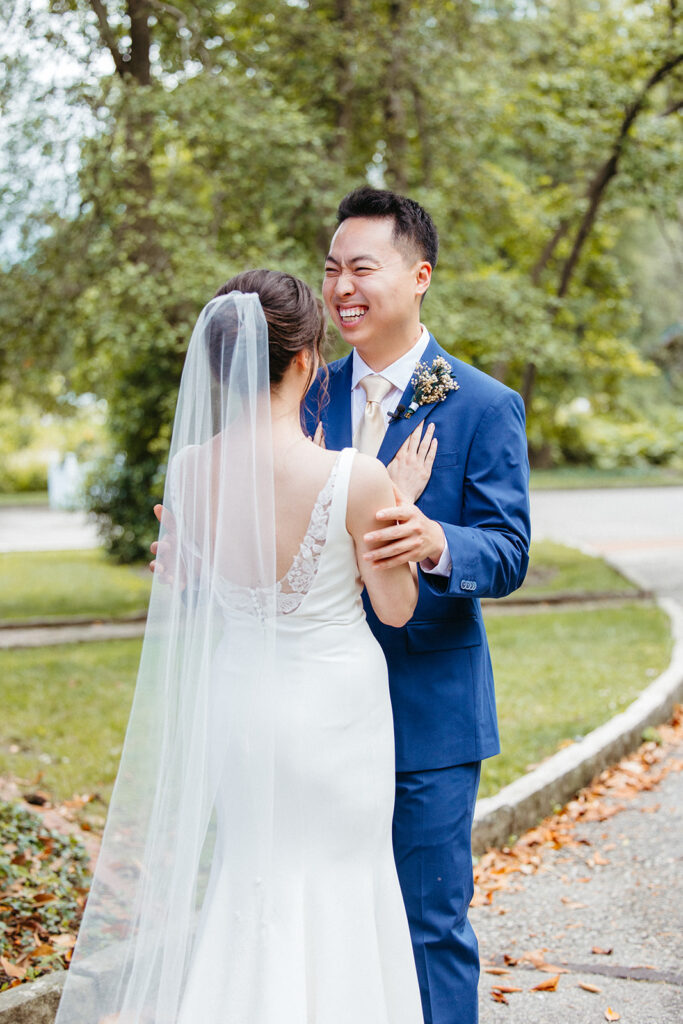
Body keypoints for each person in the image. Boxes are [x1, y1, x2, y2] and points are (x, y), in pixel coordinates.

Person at [55, 271, 427, 1023]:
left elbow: (201, 582)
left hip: (239, 703)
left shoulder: (192, 472)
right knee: (341, 884)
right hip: (333, 715)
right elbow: (394, 609)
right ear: (304, 362)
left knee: (248, 878)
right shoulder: (355, 477)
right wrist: (399, 505)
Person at [302, 186, 531, 1024]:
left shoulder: (481, 403)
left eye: (361, 267)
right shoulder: (306, 396)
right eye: (331, 270)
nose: (340, 289)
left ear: (419, 275)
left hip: (425, 710)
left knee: (428, 922)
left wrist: (436, 542)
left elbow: (508, 551)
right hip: (314, 701)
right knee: (327, 915)